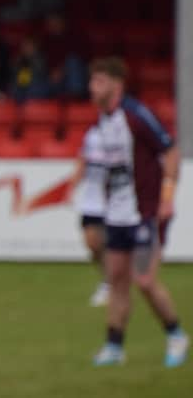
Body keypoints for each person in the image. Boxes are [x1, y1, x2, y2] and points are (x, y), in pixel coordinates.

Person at [88, 57, 189, 367]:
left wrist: (167, 197)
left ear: (116, 85)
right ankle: (114, 346)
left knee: (143, 279)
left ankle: (176, 334)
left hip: (145, 212)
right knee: (117, 279)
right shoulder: (101, 122)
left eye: (99, 81)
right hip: (117, 215)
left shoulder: (136, 115)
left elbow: (170, 151)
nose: (93, 87)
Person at [69, 125, 108, 307]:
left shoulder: (126, 132)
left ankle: (114, 284)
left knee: (116, 245)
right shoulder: (93, 134)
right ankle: (108, 281)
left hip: (116, 200)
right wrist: (73, 185)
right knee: (92, 243)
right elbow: (83, 160)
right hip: (92, 200)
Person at [10, 36, 51, 103]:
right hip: (22, 90)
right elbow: (19, 80)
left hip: (37, 90)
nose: (26, 48)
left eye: (28, 45)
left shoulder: (40, 59)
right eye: (24, 46)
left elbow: (37, 74)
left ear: (35, 47)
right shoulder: (20, 60)